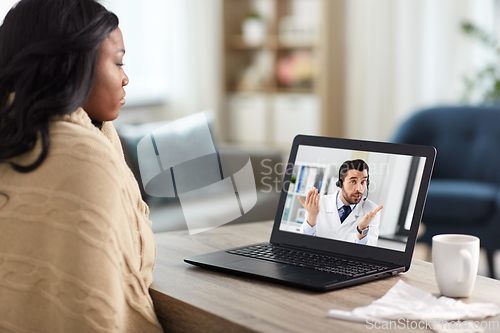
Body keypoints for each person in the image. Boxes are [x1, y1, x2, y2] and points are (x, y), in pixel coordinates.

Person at [0, 0, 163, 332]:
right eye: (118, 63)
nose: (126, 77)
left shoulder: (14, 132)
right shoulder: (83, 158)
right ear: (70, 66)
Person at [298, 159, 383, 246]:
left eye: (363, 182)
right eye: (353, 181)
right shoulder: (318, 204)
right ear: (340, 183)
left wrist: (362, 230)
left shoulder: (372, 211)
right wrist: (311, 217)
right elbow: (302, 244)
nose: (359, 189)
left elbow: (368, 253)